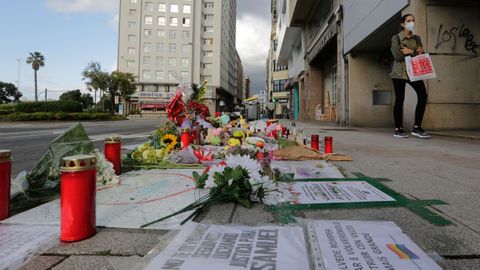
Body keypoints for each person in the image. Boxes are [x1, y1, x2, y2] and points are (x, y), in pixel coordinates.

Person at [390, 14, 430, 139]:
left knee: (423, 95)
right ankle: (398, 128)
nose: (411, 23)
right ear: (402, 24)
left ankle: (417, 127)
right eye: (408, 21)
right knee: (400, 100)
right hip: (399, 73)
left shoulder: (417, 38)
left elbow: (421, 54)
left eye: (413, 20)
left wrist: (409, 51)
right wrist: (413, 53)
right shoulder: (396, 38)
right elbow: (397, 55)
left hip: (414, 72)